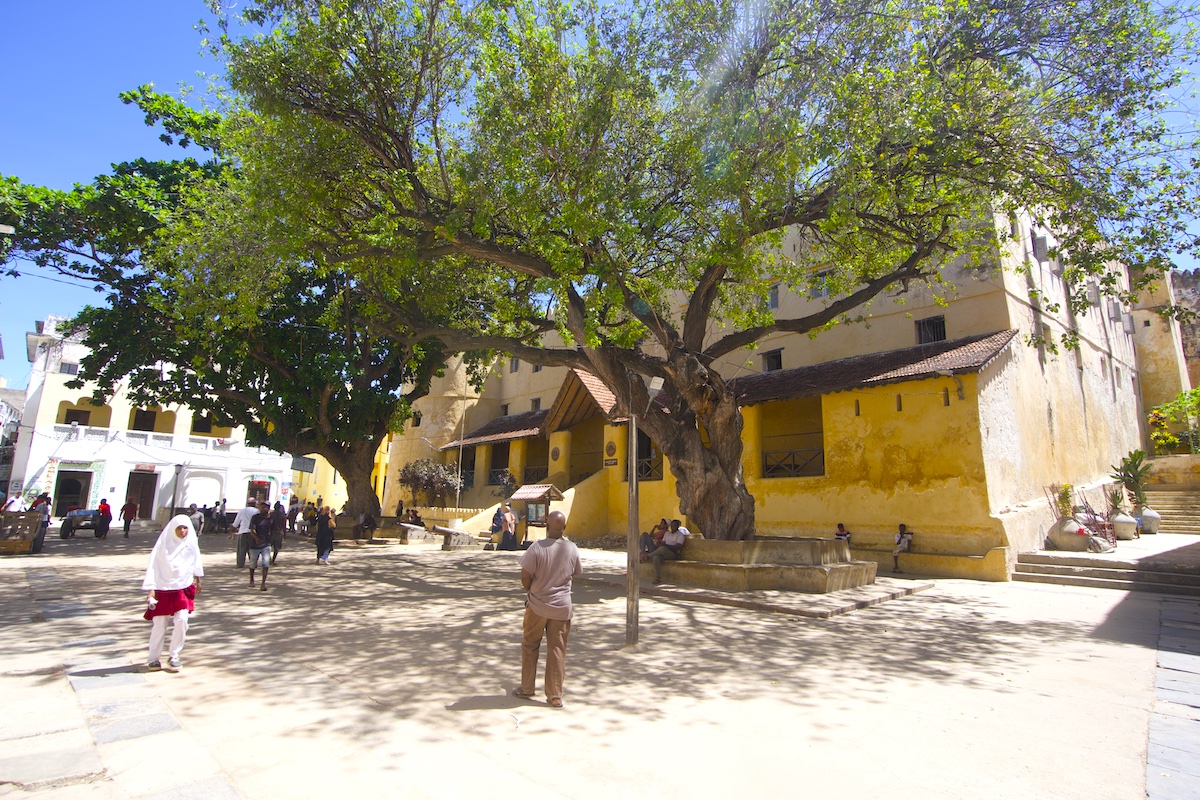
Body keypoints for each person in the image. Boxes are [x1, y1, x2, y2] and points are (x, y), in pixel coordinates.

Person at [513, 510, 581, 708]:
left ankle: (527, 687)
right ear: (564, 528)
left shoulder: (537, 548)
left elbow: (525, 575)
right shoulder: (571, 548)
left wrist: (531, 589)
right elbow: (575, 572)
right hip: (561, 608)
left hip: (537, 605)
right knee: (557, 649)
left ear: (546, 525)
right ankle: (555, 695)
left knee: (530, 644)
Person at [143, 514, 204, 672]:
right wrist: (151, 590)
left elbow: (195, 561)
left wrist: (198, 579)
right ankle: (154, 658)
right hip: (163, 589)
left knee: (182, 620)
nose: (183, 531)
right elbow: (153, 567)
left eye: (185, 528)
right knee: (160, 625)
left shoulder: (190, 544)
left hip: (182, 588)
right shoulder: (163, 547)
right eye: (179, 528)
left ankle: (174, 655)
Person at [650, 519, 690, 585]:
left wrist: (665, 546)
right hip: (665, 553)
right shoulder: (667, 533)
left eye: (674, 526)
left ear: (677, 526)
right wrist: (660, 543)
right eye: (671, 526)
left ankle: (648, 556)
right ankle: (658, 577)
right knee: (656, 557)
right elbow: (663, 543)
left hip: (674, 554)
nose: (672, 527)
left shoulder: (680, 535)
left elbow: (677, 548)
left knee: (662, 548)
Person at [248, 502, 273, 590]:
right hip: (255, 544)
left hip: (266, 544)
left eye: (264, 507)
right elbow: (252, 530)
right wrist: (256, 538)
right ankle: (252, 580)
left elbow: (274, 529)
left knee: (265, 563)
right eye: (261, 507)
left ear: (268, 508)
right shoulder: (255, 518)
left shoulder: (271, 519)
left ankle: (263, 583)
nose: (262, 509)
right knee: (253, 563)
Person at [230, 498, 258, 568]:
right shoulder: (257, 511)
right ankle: (253, 564)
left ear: (247, 503)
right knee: (252, 549)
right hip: (253, 532)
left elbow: (236, 523)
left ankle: (240, 564)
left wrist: (232, 531)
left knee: (241, 549)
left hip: (242, 531)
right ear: (255, 504)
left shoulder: (242, 511)